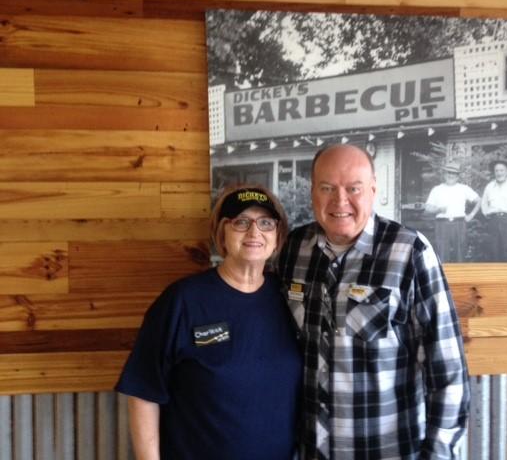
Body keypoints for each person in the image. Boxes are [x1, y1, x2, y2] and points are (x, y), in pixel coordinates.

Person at [278, 144, 469, 460]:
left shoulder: (410, 252)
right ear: (312, 191)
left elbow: (447, 373)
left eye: (354, 188)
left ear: (373, 190)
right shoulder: (292, 250)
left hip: (387, 451)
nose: (341, 201)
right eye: (327, 188)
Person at [116, 184, 302, 460]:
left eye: (265, 223)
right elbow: (144, 393)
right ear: (222, 234)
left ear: (277, 236)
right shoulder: (183, 300)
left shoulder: (289, 299)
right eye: (241, 222)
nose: (254, 232)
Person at [424, 161, 480, 262]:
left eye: (453, 173)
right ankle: (444, 276)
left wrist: (471, 215)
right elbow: (427, 208)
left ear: (457, 176)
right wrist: (438, 209)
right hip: (442, 224)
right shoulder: (437, 189)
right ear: (444, 174)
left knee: (460, 253)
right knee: (442, 253)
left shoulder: (464, 188)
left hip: (459, 223)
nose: (451, 175)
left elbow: (478, 201)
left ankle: (460, 277)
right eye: (448, 173)